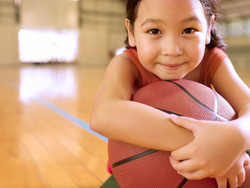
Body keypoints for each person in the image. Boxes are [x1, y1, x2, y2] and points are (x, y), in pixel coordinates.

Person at [90, 0, 250, 187]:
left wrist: (236, 135)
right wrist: (210, 143)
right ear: (131, 32)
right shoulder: (126, 64)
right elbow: (102, 114)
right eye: (154, 31)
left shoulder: (212, 59)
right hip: (139, 169)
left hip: (206, 168)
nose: (172, 50)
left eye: (188, 30)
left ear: (208, 29)